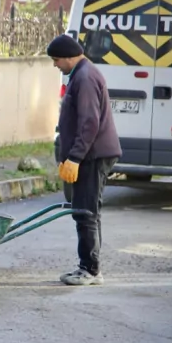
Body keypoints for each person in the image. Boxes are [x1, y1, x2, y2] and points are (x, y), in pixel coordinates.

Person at [47, 34, 123, 286]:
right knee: (86, 211)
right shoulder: (81, 74)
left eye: (57, 60)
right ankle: (88, 266)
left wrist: (75, 157)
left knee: (86, 212)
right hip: (90, 155)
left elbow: (89, 123)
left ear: (69, 57)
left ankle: (90, 270)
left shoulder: (85, 77)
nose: (55, 65)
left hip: (92, 156)